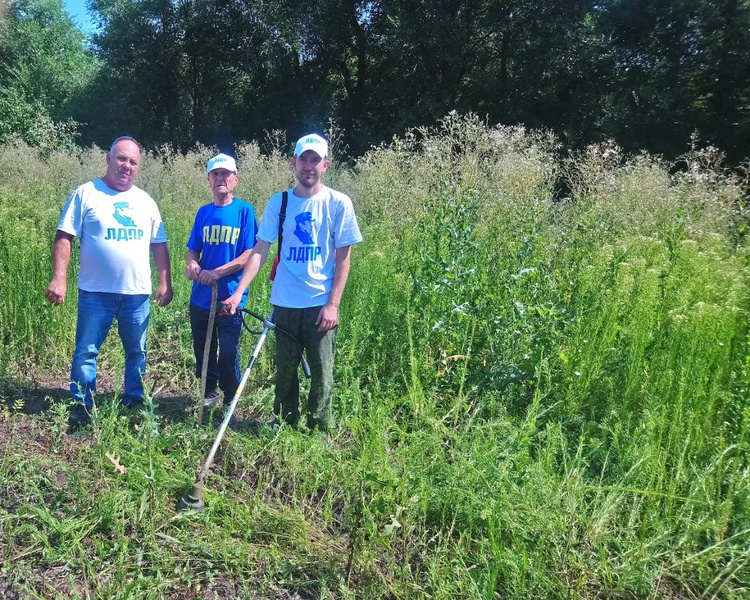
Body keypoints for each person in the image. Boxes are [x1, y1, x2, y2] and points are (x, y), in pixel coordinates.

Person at [224, 133, 362, 433]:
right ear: (294, 163)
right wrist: (238, 292)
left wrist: (333, 304)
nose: (309, 166)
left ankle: (319, 428)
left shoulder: (338, 203)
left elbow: (343, 258)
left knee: (323, 371)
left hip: (319, 305)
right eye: (304, 159)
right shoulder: (280, 202)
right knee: (285, 370)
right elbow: (260, 251)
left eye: (315, 160)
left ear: (325, 164)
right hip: (284, 303)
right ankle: (284, 421)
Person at [45, 136, 174, 426]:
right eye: (121, 158)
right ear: (108, 158)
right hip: (95, 293)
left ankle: (135, 401)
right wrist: (59, 279)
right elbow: (64, 236)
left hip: (136, 293)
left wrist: (165, 282)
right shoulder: (86, 193)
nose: (126, 166)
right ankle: (82, 406)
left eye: (132, 162)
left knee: (137, 351)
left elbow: (159, 244)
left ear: (138, 167)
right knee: (86, 351)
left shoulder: (145, 202)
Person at [185, 153, 258, 415]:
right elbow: (192, 250)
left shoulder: (244, 211)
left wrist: (217, 273)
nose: (221, 178)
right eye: (215, 174)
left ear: (235, 179)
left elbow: (249, 254)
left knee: (228, 352)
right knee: (203, 348)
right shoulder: (203, 213)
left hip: (230, 297)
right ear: (209, 179)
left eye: (226, 174)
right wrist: (193, 266)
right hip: (202, 297)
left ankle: (230, 398)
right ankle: (209, 393)